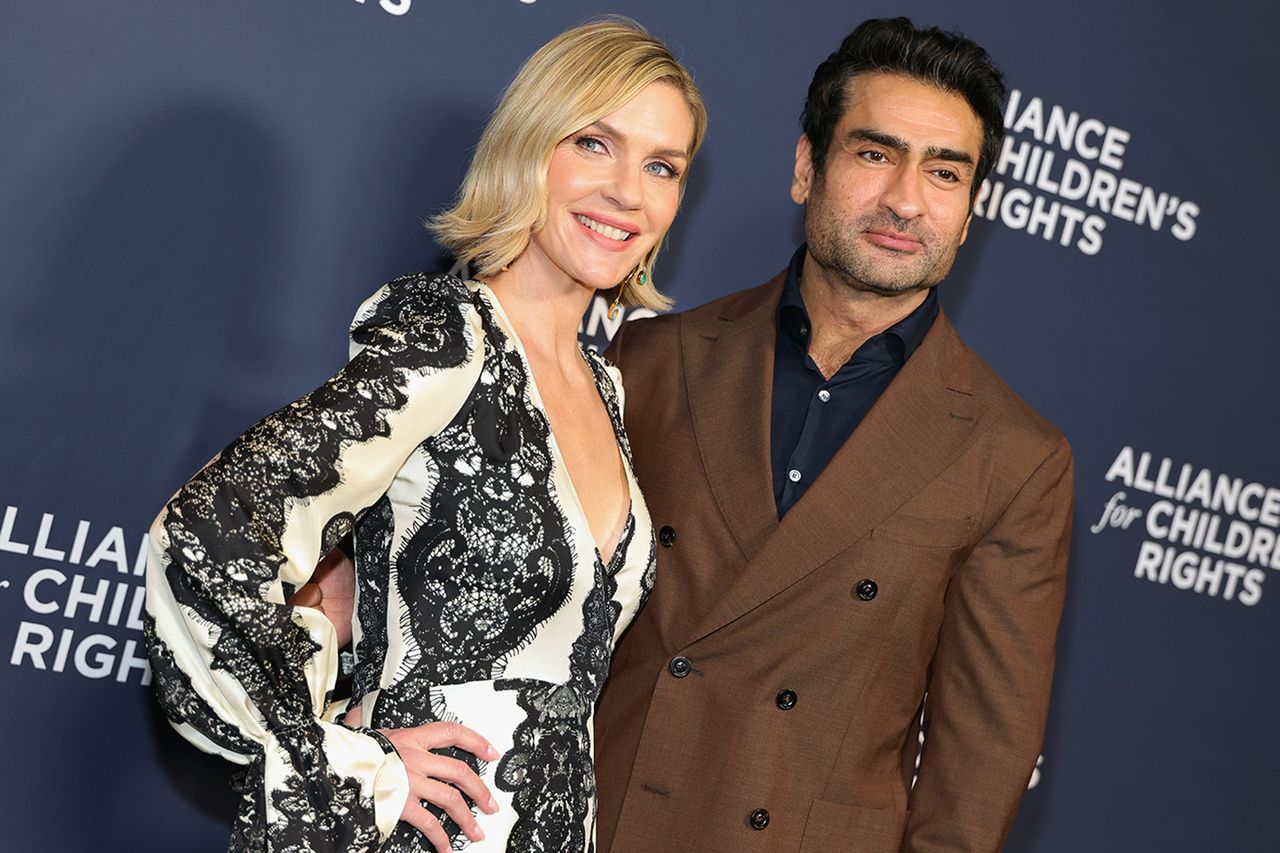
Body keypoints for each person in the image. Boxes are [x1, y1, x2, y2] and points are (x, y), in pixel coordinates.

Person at [144, 17, 705, 853]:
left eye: (662, 166)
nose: (630, 191)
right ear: (529, 147)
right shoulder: (449, 335)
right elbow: (205, 540)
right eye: (595, 144)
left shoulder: (606, 385)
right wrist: (341, 758)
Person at [591, 17, 1073, 853]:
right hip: (604, 821)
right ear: (806, 167)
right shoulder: (654, 356)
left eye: (945, 172)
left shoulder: (1015, 458)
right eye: (876, 154)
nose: (906, 200)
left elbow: (979, 766)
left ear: (970, 212)